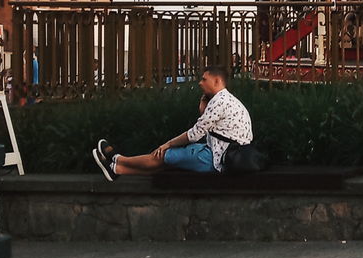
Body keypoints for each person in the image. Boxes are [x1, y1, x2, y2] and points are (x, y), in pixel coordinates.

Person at [91, 67, 252, 180]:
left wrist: (167, 144)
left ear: (217, 81)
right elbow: (211, 127)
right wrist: (203, 110)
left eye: (204, 79)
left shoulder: (219, 102)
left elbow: (194, 134)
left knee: (162, 155)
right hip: (219, 152)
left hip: (215, 159)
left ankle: (117, 159)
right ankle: (116, 169)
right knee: (168, 163)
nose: (200, 83)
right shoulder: (227, 100)